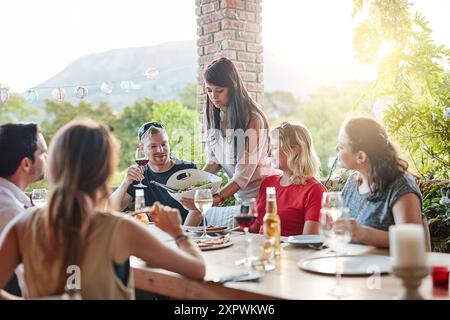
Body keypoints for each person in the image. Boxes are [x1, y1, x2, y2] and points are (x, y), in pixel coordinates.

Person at [0, 119, 205, 299]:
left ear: (54, 166)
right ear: (105, 170)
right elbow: (197, 269)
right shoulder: (120, 229)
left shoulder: (23, 223)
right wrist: (178, 233)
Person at [181, 57, 274, 218]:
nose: (213, 96)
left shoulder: (253, 120)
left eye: (219, 90)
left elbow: (242, 176)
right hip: (241, 200)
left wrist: (216, 198)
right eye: (209, 90)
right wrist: (193, 187)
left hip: (264, 200)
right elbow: (213, 162)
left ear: (233, 87)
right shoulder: (211, 116)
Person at [336, 116, 423, 248]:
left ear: (361, 156)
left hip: (388, 267)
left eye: (341, 147)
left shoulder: (401, 186)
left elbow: (412, 242)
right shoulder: (353, 183)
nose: (336, 149)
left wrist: (362, 233)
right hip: (353, 264)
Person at [249, 122, 326, 236]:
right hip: (261, 250)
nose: (269, 153)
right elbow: (253, 229)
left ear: (294, 150)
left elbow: (309, 242)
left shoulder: (315, 190)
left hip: (289, 253)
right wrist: (223, 234)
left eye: (274, 148)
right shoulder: (268, 183)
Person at [109, 122, 196, 222]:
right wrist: (125, 182)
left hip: (192, 233)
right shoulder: (139, 175)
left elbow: (197, 210)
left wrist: (180, 235)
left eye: (164, 144)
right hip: (157, 234)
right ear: (142, 148)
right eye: (153, 146)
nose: (160, 150)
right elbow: (112, 210)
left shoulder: (187, 169)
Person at [0, 123, 48, 296]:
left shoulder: (10, 200)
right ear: (26, 164)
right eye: (43, 153)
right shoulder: (9, 211)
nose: (47, 158)